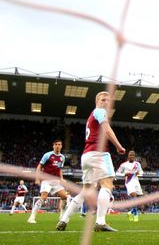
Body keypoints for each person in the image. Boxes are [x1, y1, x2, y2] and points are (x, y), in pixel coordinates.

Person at [56, 91, 126, 232]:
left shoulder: (91, 116)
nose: (106, 102)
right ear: (97, 102)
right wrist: (119, 146)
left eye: (108, 100)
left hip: (86, 155)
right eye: (103, 99)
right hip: (99, 153)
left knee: (85, 191)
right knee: (107, 185)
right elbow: (107, 130)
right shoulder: (100, 112)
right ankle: (100, 222)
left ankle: (63, 220)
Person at [28, 139, 69, 223]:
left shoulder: (62, 157)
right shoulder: (47, 155)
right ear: (53, 146)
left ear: (61, 146)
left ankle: (62, 216)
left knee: (64, 197)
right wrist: (37, 178)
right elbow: (39, 166)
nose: (57, 146)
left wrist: (62, 178)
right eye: (56, 144)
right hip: (46, 179)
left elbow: (60, 169)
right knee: (43, 197)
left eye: (59, 144)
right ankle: (32, 217)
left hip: (56, 180)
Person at [116, 150, 144, 222]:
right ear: (128, 156)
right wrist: (124, 174)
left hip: (136, 182)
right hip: (129, 182)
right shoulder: (124, 165)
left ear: (134, 156)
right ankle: (135, 215)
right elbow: (117, 173)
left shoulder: (137, 164)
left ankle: (130, 212)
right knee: (134, 196)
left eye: (133, 155)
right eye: (130, 155)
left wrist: (139, 173)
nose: (131, 156)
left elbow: (141, 172)